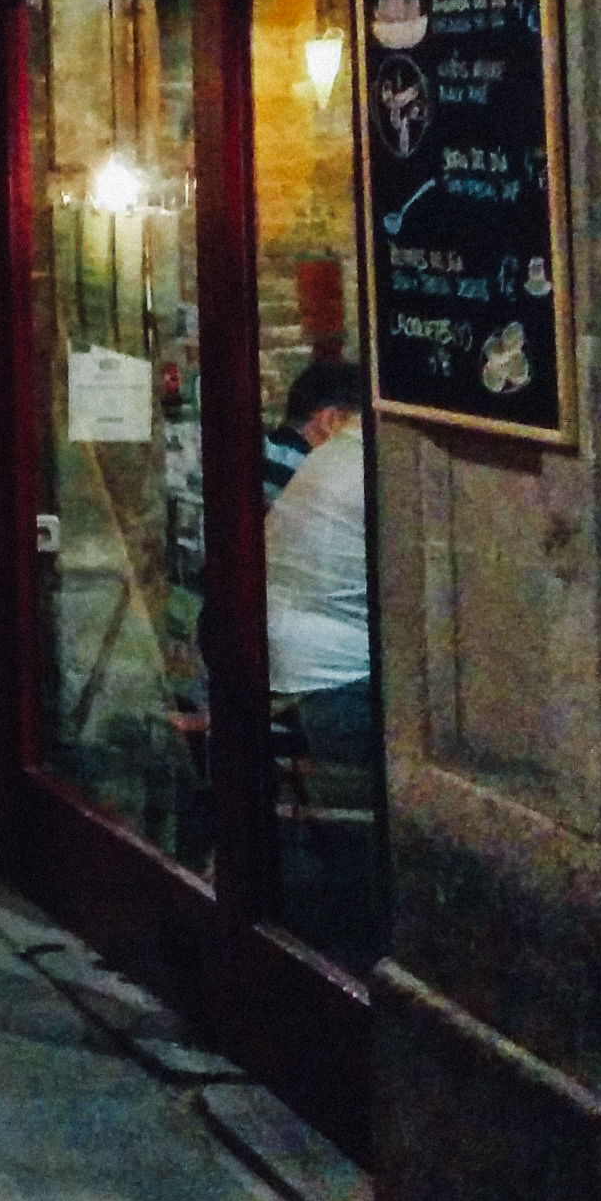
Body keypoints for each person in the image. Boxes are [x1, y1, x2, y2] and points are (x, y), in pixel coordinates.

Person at [263, 357, 378, 954]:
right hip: (336, 676)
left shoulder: (333, 454)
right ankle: (358, 939)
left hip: (289, 658)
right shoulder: (368, 461)